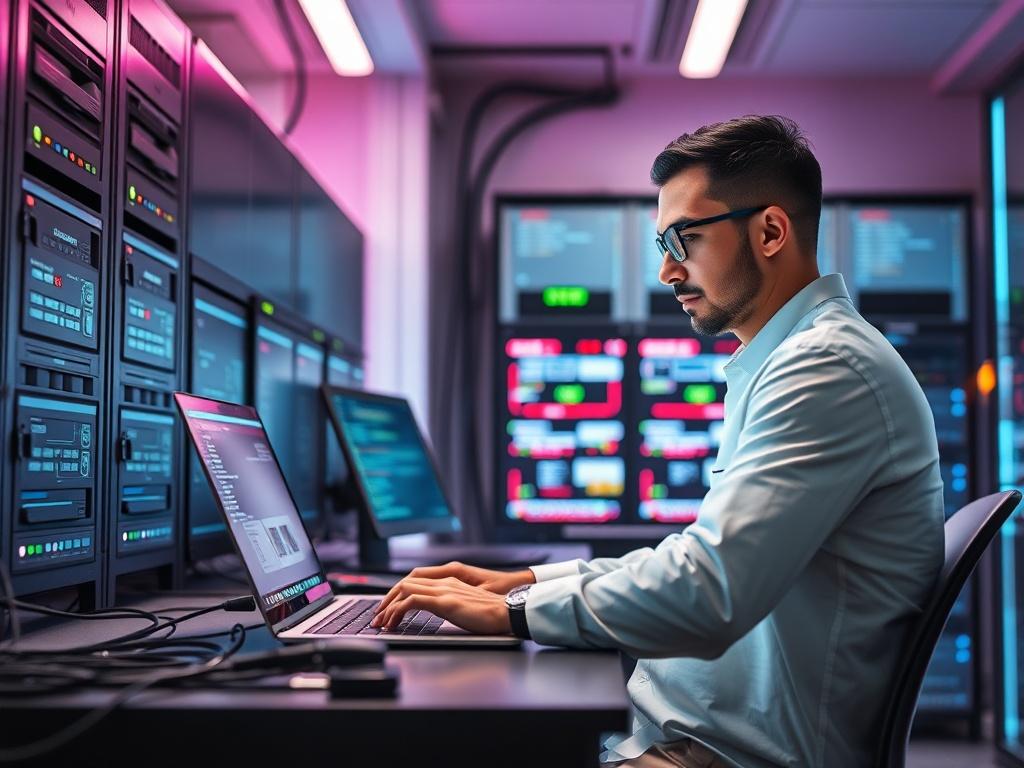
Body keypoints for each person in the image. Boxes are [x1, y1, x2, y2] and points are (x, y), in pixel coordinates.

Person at [371, 115, 945, 767]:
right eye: (661, 245)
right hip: (689, 736)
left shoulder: (826, 370)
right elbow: (698, 557)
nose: (669, 271)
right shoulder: (793, 359)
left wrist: (517, 612)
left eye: (686, 239)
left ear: (771, 231)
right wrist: (523, 582)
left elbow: (710, 589)